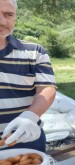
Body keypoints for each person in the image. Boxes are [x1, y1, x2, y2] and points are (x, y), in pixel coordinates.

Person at [0, 0, 56, 152]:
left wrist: (30, 116)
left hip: (26, 138)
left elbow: (46, 88)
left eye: (8, 14)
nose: (2, 21)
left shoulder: (34, 51)